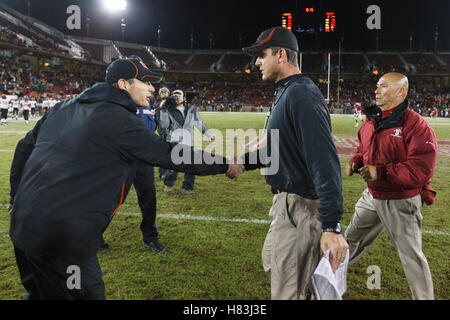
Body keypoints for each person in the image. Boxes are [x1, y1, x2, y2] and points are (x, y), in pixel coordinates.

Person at [8, 57, 234, 300]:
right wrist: (226, 163)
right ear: (124, 84)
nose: (152, 89)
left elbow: (23, 149)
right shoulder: (119, 121)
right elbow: (170, 154)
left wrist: (15, 196)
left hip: (24, 227)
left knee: (39, 294)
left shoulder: (64, 107)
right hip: (64, 240)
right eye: (146, 82)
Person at [230, 26, 348, 300]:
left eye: (262, 55)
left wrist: (330, 226)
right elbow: (280, 150)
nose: (257, 62)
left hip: (302, 207)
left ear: (281, 55)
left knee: (288, 291)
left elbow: (324, 160)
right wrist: (243, 163)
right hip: (284, 204)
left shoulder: (301, 94)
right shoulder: (286, 92)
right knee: (274, 265)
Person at [344, 72, 438, 300]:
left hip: (401, 200)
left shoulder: (417, 126)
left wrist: (382, 172)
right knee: (349, 241)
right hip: (372, 195)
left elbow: (420, 169)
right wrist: (357, 160)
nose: (376, 91)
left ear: (401, 92)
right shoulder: (371, 120)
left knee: (411, 256)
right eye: (377, 85)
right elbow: (364, 150)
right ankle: (327, 285)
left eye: (384, 86)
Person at [157, 89, 214, 196]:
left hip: (189, 142)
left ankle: (187, 188)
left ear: (184, 97)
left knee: (191, 167)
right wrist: (163, 109)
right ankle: (168, 186)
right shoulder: (168, 110)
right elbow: (164, 125)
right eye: (175, 95)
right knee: (173, 167)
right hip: (174, 142)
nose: (177, 97)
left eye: (179, 95)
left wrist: (208, 134)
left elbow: (199, 123)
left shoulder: (191, 110)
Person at [154, 86, 170, 181]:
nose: (164, 94)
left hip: (172, 131)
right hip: (162, 131)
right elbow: (157, 117)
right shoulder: (158, 104)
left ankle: (170, 171)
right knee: (164, 152)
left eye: (165, 92)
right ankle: (162, 173)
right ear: (160, 94)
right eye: (162, 92)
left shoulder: (172, 103)